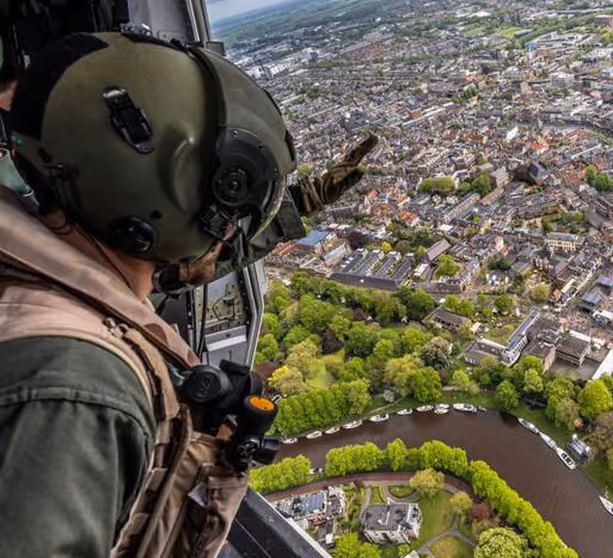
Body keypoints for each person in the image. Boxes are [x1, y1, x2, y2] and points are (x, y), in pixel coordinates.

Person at [0, 32, 375, 557]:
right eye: (227, 200)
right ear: (162, 195)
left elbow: (184, 261)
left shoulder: (49, 258)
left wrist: (301, 204)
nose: (230, 229)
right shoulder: (76, 392)